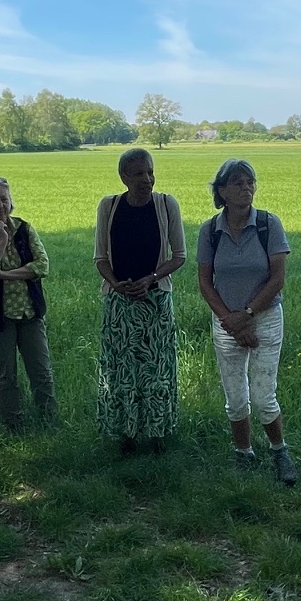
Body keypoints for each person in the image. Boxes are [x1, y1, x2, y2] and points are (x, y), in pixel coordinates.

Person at [195, 158, 297, 484]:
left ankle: (280, 451)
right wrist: (231, 321)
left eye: (250, 182)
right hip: (226, 322)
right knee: (236, 399)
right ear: (222, 191)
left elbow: (277, 279)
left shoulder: (268, 224)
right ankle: (243, 453)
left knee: (264, 397)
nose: (246, 188)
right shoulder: (210, 231)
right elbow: (205, 283)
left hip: (265, 319)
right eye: (238, 183)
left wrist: (248, 315)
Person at [93, 148, 186, 454]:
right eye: (138, 174)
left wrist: (151, 279)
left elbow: (179, 256)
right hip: (119, 304)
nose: (146, 180)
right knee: (121, 372)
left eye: (150, 172)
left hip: (155, 302)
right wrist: (116, 284)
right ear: (123, 177)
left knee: (157, 370)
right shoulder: (109, 206)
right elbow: (100, 258)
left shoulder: (166, 204)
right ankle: (127, 435)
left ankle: (158, 434)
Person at [0, 177, 56, 430]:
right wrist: (2, 241)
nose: (0, 205)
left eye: (4, 199)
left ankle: (49, 423)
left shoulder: (24, 229)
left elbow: (42, 265)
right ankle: (14, 426)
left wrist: (4, 274)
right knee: (5, 376)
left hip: (29, 312)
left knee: (41, 371)